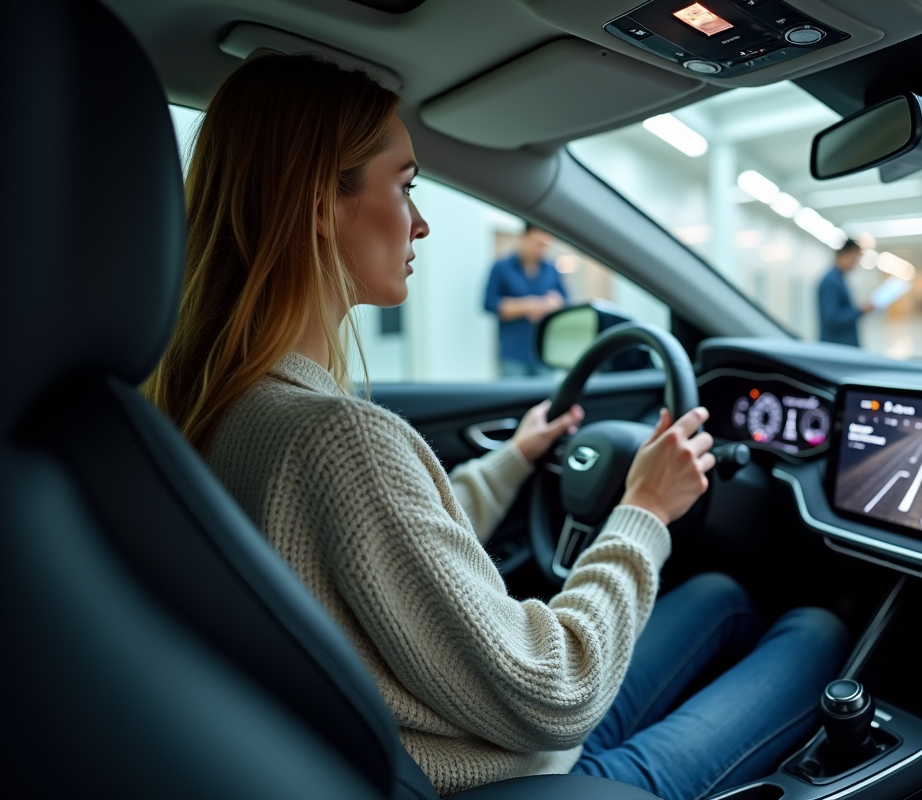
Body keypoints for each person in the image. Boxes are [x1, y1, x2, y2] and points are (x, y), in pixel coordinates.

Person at [145, 53, 848, 800]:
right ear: (320, 203)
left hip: (452, 747)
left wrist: (513, 459)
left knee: (720, 595)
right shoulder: (334, 441)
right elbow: (557, 689)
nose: (420, 221)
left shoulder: (217, 411)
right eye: (405, 185)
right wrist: (644, 510)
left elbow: (388, 555)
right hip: (515, 773)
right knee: (817, 632)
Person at [484, 224, 567, 376]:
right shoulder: (501, 267)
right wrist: (529, 306)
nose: (541, 249)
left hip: (545, 353)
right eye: (538, 243)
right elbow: (489, 303)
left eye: (545, 245)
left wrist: (553, 304)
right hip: (513, 355)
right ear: (526, 237)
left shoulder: (552, 269)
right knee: (514, 398)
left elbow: (565, 301)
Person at [817, 239, 874, 347]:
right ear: (847, 254)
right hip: (836, 349)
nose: (856, 262)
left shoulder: (839, 279)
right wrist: (861, 310)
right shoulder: (831, 281)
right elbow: (832, 319)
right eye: (856, 257)